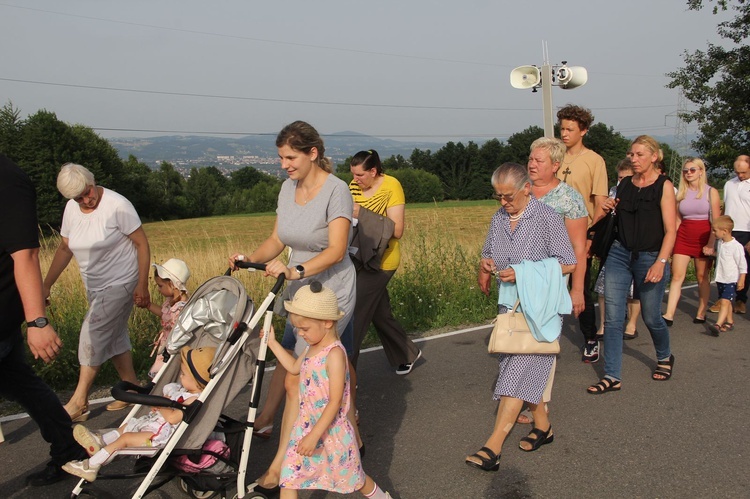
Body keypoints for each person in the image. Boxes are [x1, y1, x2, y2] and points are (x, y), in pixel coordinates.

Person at [228, 120, 359, 494]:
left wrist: (295, 268)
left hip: (329, 291)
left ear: (312, 153)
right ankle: (351, 437)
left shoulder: (336, 191)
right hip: (298, 291)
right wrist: (250, 258)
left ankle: (280, 469)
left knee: (296, 376)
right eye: (281, 158)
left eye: (290, 157)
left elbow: (335, 249)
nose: (284, 165)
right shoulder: (287, 189)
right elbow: (277, 237)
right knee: (337, 364)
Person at [470, 163, 576, 472]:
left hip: (541, 312)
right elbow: (489, 252)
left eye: (508, 196)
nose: (503, 202)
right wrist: (487, 267)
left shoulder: (547, 218)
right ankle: (543, 427)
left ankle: (493, 447)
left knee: (516, 376)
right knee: (522, 371)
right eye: (497, 196)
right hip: (510, 310)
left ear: (526, 188)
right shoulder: (499, 218)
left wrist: (523, 272)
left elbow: (568, 263)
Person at [0, 154, 89, 486]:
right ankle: (69, 450)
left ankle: (70, 448)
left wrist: (37, 321)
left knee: (24, 383)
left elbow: (26, 253)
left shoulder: (7, 178)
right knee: (24, 384)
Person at [261, 282, 392, 498]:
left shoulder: (334, 355)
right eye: (297, 329)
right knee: (289, 477)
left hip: (332, 432)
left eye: (305, 329)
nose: (300, 334)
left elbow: (335, 401)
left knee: (355, 479)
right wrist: (273, 343)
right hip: (304, 425)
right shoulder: (312, 347)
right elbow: (294, 368)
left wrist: (314, 436)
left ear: (328, 322)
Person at [43, 163, 151, 421]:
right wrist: (45, 285)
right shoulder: (72, 209)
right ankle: (133, 389)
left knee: (91, 334)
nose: (86, 199)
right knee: (113, 337)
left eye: (87, 192)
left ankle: (79, 401)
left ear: (92, 181)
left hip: (121, 282)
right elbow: (64, 249)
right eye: (78, 197)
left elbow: (142, 244)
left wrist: (142, 284)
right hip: (94, 285)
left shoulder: (117, 205)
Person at [588, 135, 677, 395]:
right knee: (614, 319)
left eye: (639, 155)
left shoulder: (664, 186)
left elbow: (671, 230)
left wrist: (661, 262)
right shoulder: (624, 185)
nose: (634, 159)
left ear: (654, 156)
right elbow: (607, 215)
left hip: (650, 256)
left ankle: (664, 356)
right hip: (619, 254)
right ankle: (612, 375)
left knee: (651, 317)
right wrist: (606, 206)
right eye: (631, 155)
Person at [61, 346, 215, 482]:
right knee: (128, 426)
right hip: (153, 425)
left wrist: (162, 406)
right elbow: (169, 402)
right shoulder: (181, 391)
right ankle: (99, 442)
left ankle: (92, 465)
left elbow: (174, 417)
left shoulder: (194, 399)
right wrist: (164, 403)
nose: (180, 376)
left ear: (197, 382)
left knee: (126, 438)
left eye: (184, 374)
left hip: (160, 438)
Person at [513, 138, 586, 425]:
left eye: (539, 160)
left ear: (556, 165)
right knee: (518, 338)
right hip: (516, 277)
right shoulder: (521, 192)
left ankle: (539, 402)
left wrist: (577, 289)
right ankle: (520, 395)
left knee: (542, 340)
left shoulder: (569, 199)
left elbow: (579, 248)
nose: (531, 164)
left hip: (551, 279)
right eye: (530, 159)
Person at [348, 149, 421, 374]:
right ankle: (406, 352)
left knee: (355, 312)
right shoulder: (352, 186)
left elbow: (397, 230)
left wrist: (361, 213)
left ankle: (345, 370)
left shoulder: (392, 186)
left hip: (383, 261)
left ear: (374, 170)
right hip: (358, 258)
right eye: (353, 175)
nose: (355, 180)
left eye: (360, 175)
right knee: (378, 312)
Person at [556, 104, 610, 363]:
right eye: (562, 128)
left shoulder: (594, 160)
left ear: (584, 131)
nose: (564, 133)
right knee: (548, 287)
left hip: (578, 234)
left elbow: (600, 204)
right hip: (550, 233)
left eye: (570, 129)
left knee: (581, 289)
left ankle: (590, 338)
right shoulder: (555, 156)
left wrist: (590, 237)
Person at [662, 158, 720, 325]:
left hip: (703, 236)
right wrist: (671, 242)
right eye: (685, 170)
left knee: (702, 276)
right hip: (684, 235)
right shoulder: (681, 193)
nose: (688, 173)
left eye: (692, 170)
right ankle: (669, 314)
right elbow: (678, 220)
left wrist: (710, 244)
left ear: (701, 171)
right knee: (677, 275)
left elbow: (715, 221)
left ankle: (701, 312)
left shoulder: (711, 192)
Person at [593, 159, 641, 341]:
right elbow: (601, 217)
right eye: (619, 177)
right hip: (613, 243)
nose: (621, 181)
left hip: (634, 244)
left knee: (633, 289)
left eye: (625, 177)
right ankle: (604, 324)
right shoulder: (613, 191)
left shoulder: (639, 192)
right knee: (603, 286)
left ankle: (631, 323)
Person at [709, 155, 750, 315]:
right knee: (723, 264)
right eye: (737, 172)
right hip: (729, 230)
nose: (740, 175)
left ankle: (740, 299)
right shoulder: (729, 184)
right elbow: (726, 207)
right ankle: (723, 299)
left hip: (747, 231)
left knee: (744, 266)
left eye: (744, 172)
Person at [142, 258, 191, 378]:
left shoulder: (181, 308)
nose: (158, 290)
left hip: (173, 350)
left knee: (166, 375)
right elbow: (163, 313)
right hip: (166, 346)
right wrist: (148, 305)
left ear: (172, 284)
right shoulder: (170, 302)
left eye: (160, 286)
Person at [705, 216, 747, 335]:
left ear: (725, 231)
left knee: (724, 302)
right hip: (721, 278)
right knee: (727, 302)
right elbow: (721, 256)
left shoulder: (736, 246)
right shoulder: (720, 243)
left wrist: (741, 279)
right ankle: (729, 321)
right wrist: (712, 253)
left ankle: (718, 324)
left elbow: (742, 265)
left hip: (731, 279)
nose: (713, 233)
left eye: (715, 230)